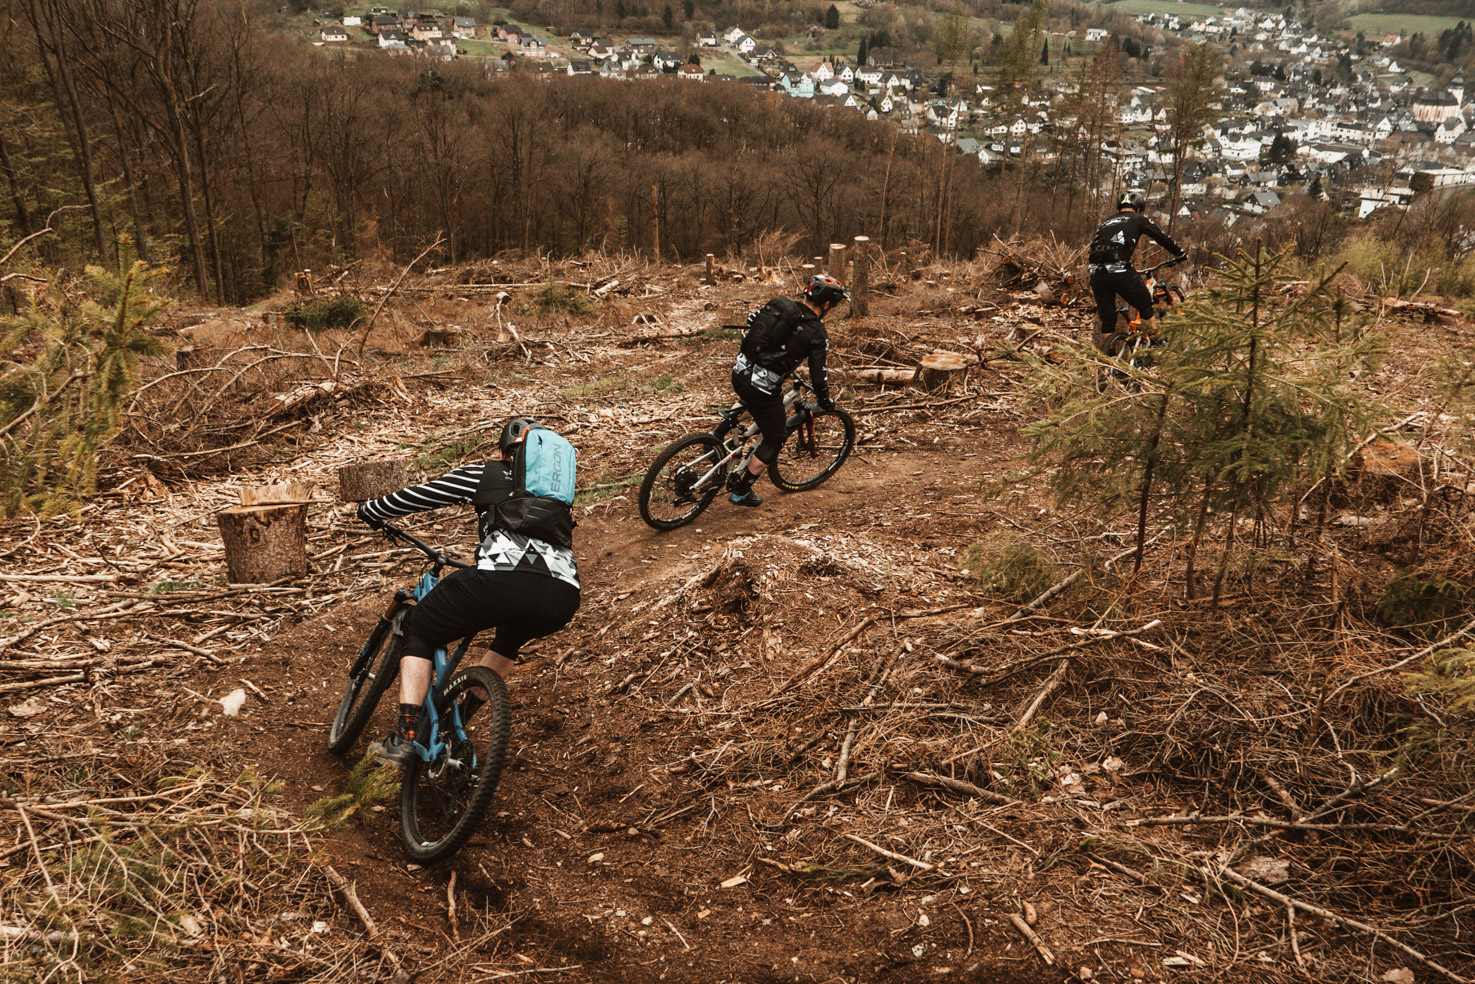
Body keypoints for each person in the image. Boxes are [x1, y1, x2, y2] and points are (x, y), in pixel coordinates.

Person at [355, 417, 580, 768]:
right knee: (507, 640)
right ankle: (453, 721)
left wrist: (373, 510)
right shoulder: (557, 498)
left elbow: (422, 495)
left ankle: (404, 738)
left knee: (419, 627)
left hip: (502, 580)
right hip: (562, 593)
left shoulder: (488, 474)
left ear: (507, 451)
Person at [727, 275, 846, 508]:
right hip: (760, 387)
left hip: (740, 372)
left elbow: (759, 329)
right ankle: (742, 490)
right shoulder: (817, 333)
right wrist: (824, 400)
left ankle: (717, 438)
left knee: (753, 401)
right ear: (827, 304)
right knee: (776, 435)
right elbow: (818, 373)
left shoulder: (781, 306)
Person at [1088, 191, 1187, 349]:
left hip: (1095, 272)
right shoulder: (1137, 219)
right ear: (1139, 209)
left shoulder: (1106, 222)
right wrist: (1180, 253)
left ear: (1119, 208)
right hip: (1119, 270)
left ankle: (1110, 362)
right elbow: (1161, 237)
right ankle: (1156, 345)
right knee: (1145, 304)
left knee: (1107, 320)